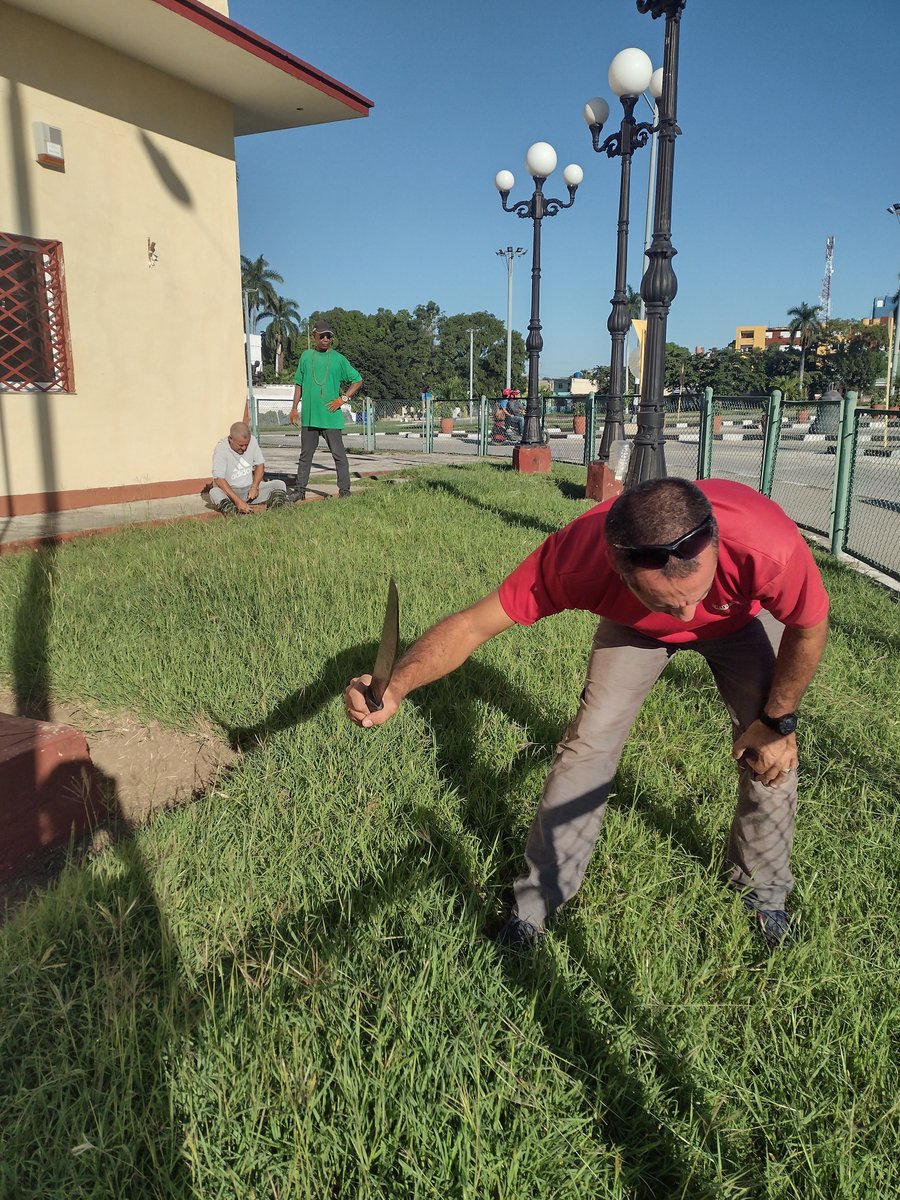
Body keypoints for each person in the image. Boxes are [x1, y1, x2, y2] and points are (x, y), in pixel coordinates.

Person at [344, 478, 830, 950]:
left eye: (695, 595)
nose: (686, 617)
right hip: (635, 630)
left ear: (717, 544)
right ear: (616, 567)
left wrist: (777, 721)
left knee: (772, 755)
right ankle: (536, 905)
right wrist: (397, 685)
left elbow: (809, 628)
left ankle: (763, 892)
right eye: (665, 601)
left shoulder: (767, 544)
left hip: (739, 621)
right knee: (588, 746)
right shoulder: (575, 557)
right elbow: (473, 625)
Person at [290, 319, 363, 499]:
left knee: (339, 455)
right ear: (314, 336)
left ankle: (344, 491)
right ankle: (300, 491)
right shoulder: (306, 356)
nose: (325, 339)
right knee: (305, 456)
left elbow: (357, 380)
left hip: (331, 416)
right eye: (322, 336)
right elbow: (299, 384)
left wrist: (343, 399)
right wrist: (294, 409)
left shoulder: (338, 359)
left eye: (328, 336)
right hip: (310, 417)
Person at [210, 421, 288, 514]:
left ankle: (276, 510)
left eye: (246, 445)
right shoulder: (221, 448)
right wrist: (238, 501)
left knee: (279, 484)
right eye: (241, 445)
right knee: (214, 492)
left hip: (249, 491)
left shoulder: (253, 441)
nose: (244, 448)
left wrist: (255, 486)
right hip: (230, 493)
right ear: (231, 439)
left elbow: (260, 464)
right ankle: (233, 511)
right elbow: (219, 479)